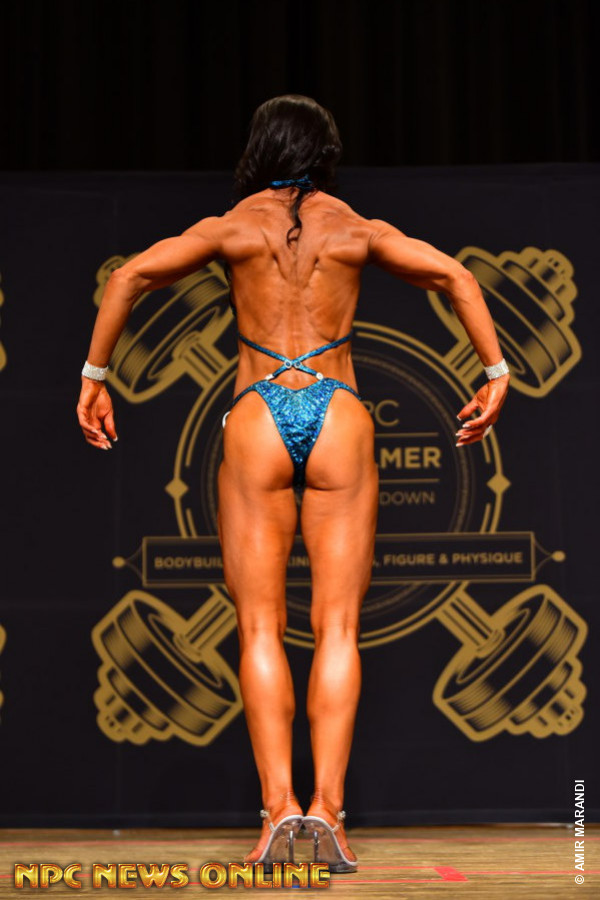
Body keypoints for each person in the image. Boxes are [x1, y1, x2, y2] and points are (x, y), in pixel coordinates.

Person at [77, 94, 510, 872]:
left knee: (258, 629)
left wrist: (94, 376)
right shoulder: (355, 228)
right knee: (337, 627)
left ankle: (279, 810)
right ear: (325, 152)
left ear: (261, 150)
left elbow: (130, 277)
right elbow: (455, 278)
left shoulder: (233, 227)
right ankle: (329, 814)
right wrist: (497, 372)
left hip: (257, 410)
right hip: (338, 409)